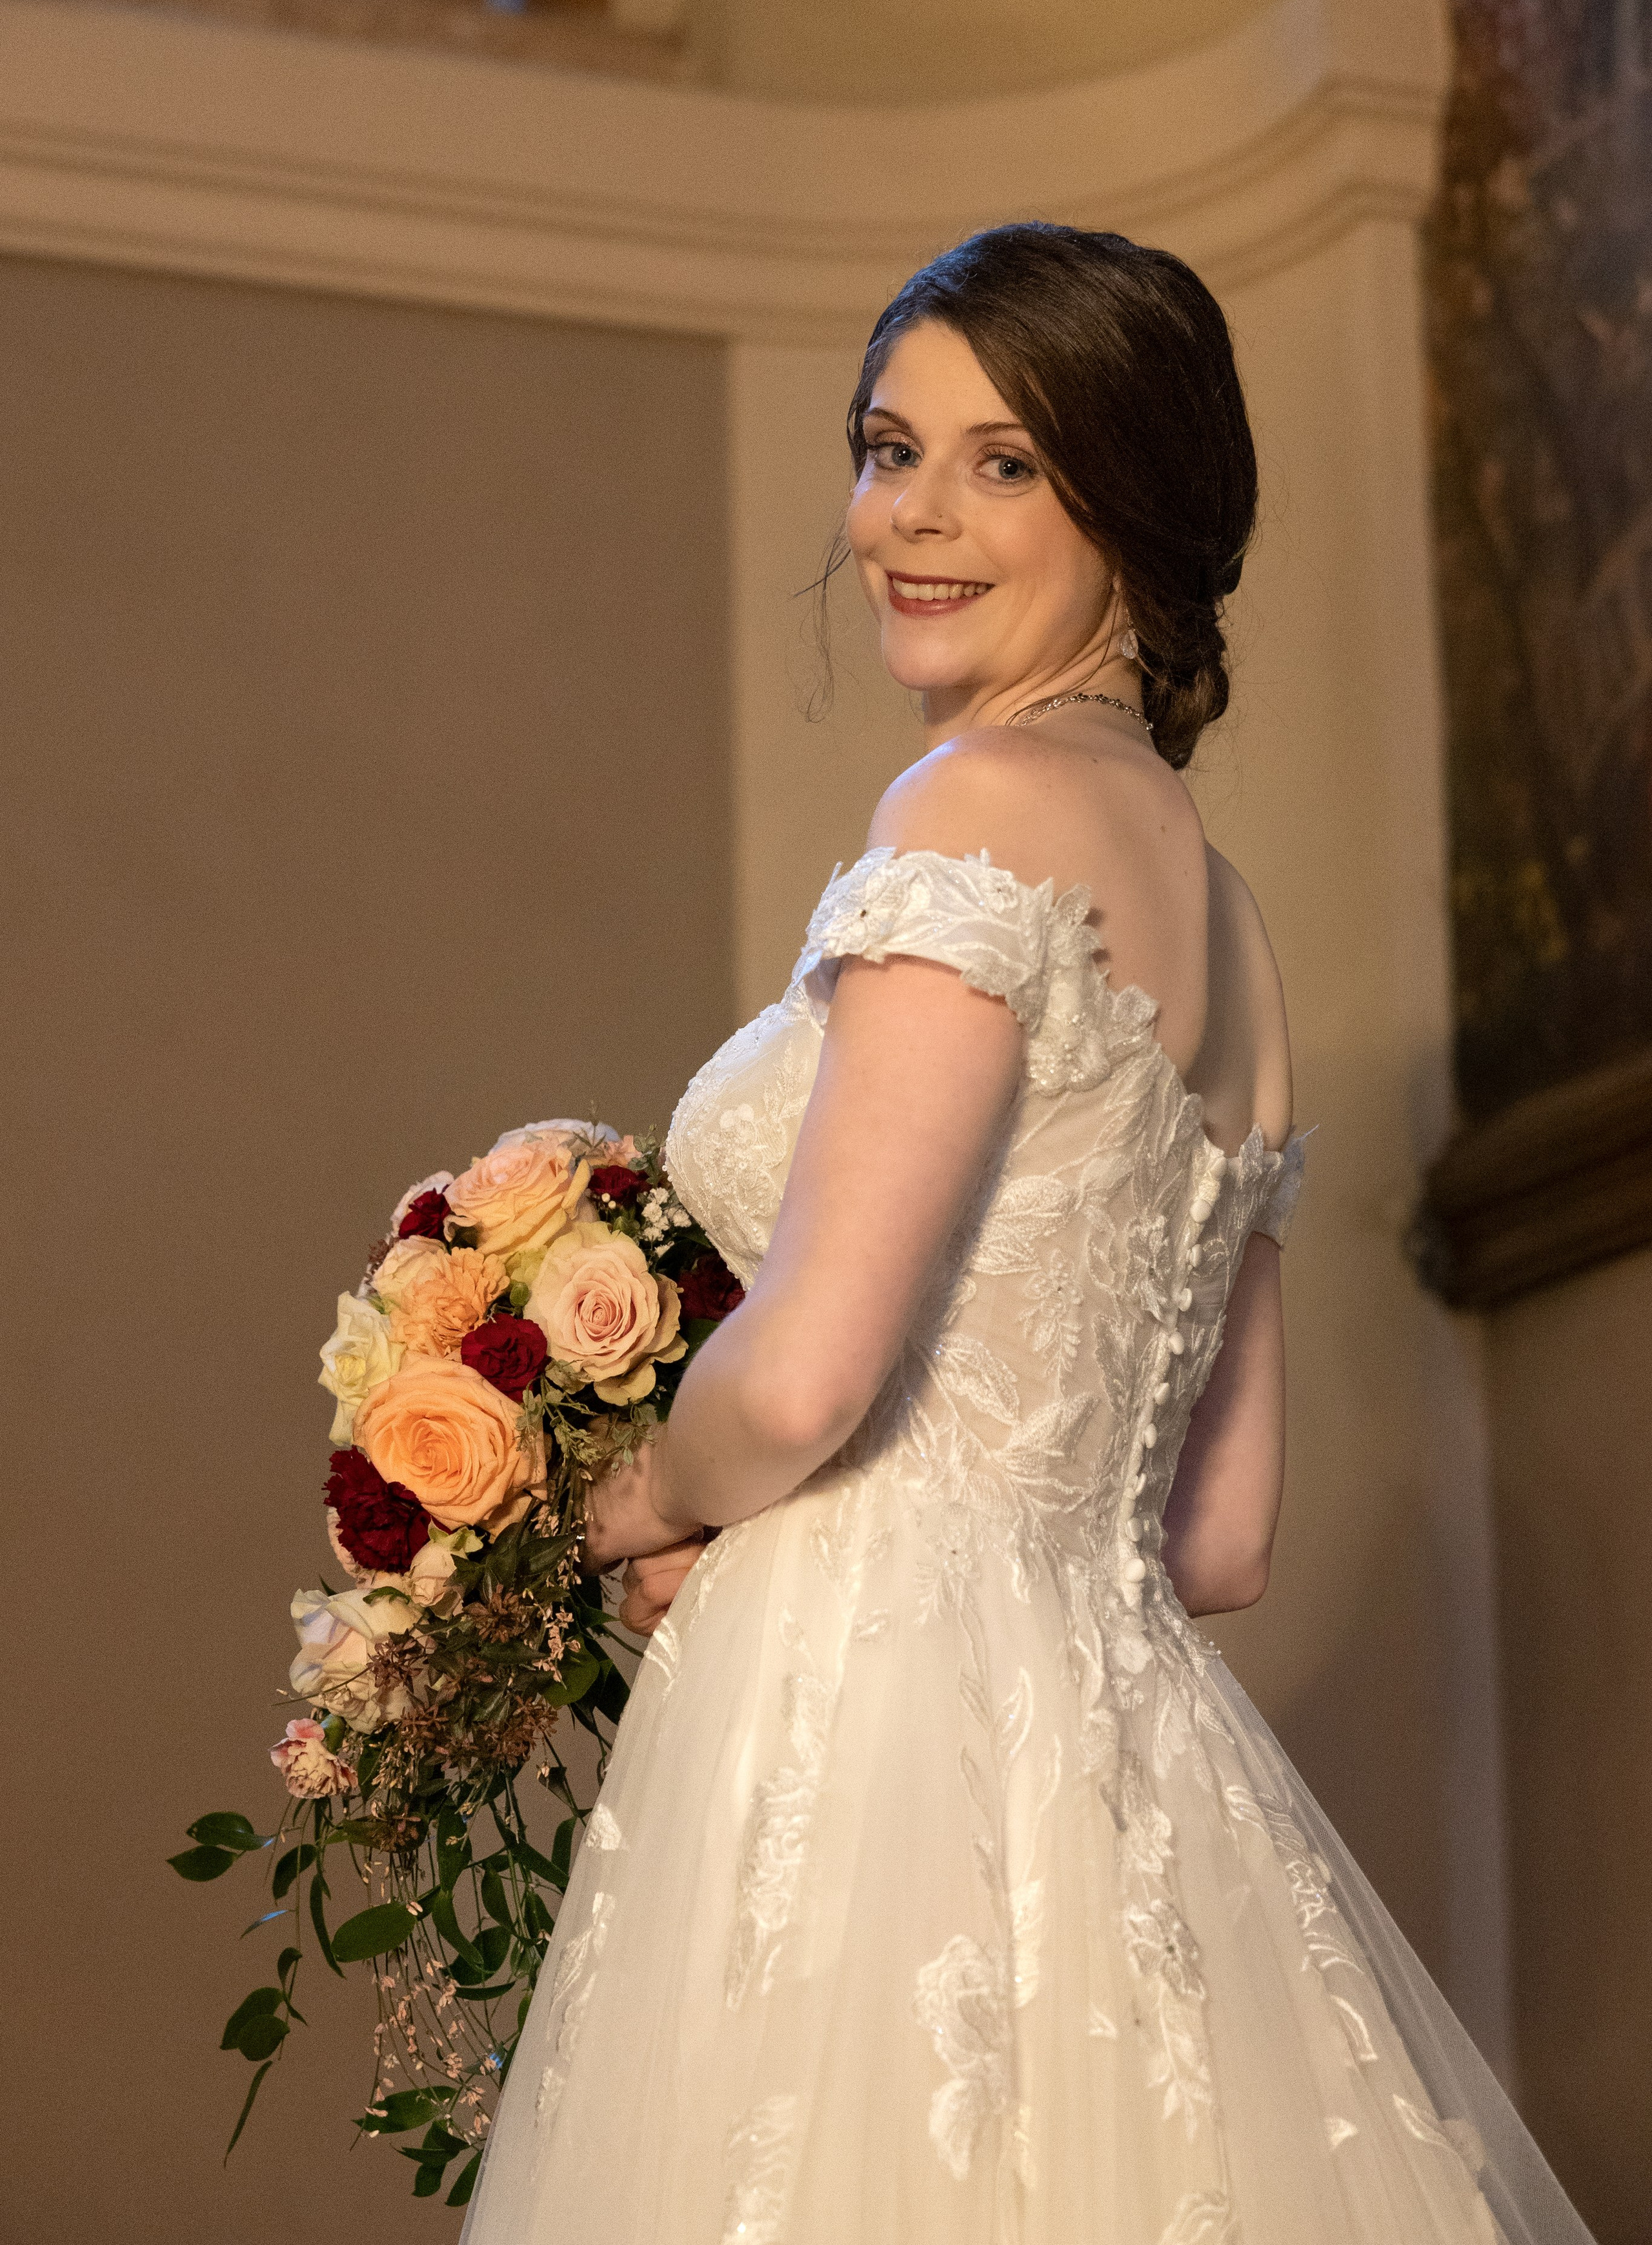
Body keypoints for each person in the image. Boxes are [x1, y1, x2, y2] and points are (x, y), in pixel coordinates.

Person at [462, 226, 1593, 2244]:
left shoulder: (969, 808)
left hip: (864, 1726)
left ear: (1135, 508)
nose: (912, 515)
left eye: (1007, 464)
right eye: (890, 446)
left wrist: (627, 1503)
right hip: (1110, 1745)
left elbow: (808, 1368)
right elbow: (1224, 1535)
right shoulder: (1229, 918)